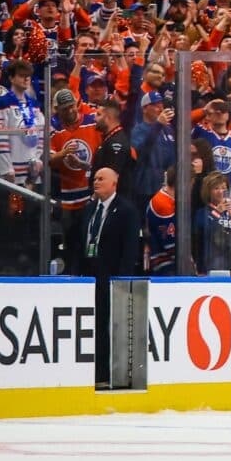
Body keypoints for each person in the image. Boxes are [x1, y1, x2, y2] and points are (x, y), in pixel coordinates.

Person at [68, 166, 142, 392]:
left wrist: (121, 278)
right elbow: (81, 243)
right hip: (91, 276)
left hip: (111, 276)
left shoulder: (127, 210)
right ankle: (96, 372)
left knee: (111, 325)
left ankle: (111, 372)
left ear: (114, 183)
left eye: (101, 178)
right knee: (94, 324)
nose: (96, 181)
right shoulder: (89, 209)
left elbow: (130, 249)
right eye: (95, 178)